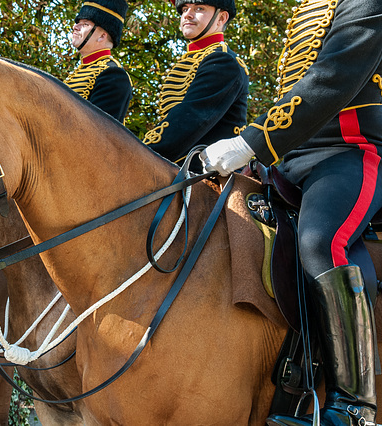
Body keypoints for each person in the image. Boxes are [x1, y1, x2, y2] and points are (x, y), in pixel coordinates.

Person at [200, 1, 382, 424]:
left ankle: (355, 406)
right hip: (289, 160)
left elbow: (334, 79)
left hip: (351, 151)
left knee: (321, 240)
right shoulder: (308, 8)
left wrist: (251, 141)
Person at [143, 0, 249, 167]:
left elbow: (188, 121)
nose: (187, 14)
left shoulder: (223, 61)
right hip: (175, 167)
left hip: (207, 175)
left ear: (221, 18)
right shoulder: (194, 59)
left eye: (199, 8)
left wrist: (138, 152)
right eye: (185, 9)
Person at [64, 0, 132, 123]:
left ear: (102, 36)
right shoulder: (79, 71)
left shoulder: (113, 75)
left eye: (84, 24)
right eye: (77, 22)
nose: (75, 27)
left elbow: (98, 133)